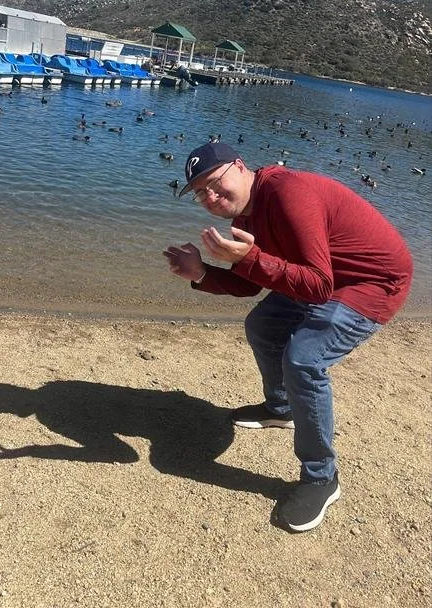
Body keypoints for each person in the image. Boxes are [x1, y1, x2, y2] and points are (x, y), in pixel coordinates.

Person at [163, 142, 413, 533]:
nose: (210, 196)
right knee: (262, 326)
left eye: (214, 182)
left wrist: (245, 259)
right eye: (199, 193)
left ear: (240, 166)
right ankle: (281, 411)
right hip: (326, 276)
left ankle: (321, 478)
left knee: (304, 360)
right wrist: (202, 273)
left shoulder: (287, 193)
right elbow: (252, 286)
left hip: (373, 282)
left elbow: (315, 285)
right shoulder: (246, 218)